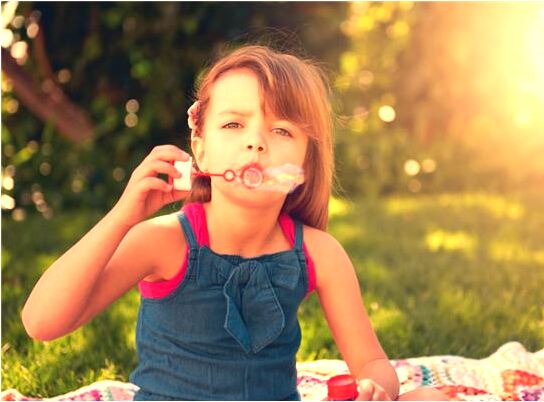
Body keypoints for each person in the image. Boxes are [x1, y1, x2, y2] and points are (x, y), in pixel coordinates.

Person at [21, 45, 448, 401]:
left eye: (282, 131)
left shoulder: (319, 253)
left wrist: (377, 387)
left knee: (429, 398)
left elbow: (371, 362)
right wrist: (123, 216)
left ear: (302, 163)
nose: (255, 141)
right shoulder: (164, 242)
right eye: (233, 124)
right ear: (200, 151)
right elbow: (43, 323)